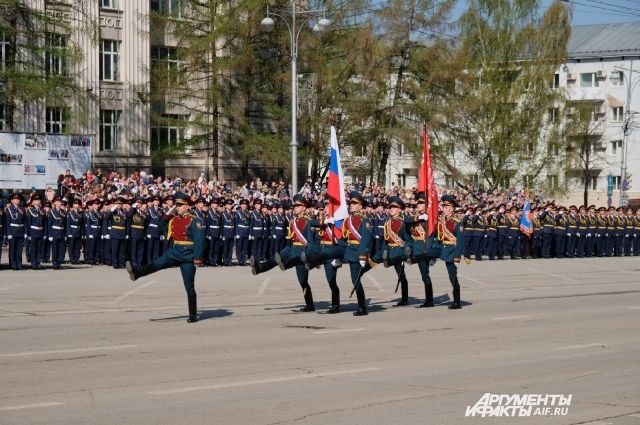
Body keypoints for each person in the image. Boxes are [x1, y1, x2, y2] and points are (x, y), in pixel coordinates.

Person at [126, 192, 205, 323]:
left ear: (187, 206)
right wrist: (169, 213)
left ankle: (193, 314)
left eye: (180, 205)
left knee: (189, 286)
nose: (177, 207)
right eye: (176, 205)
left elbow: (199, 240)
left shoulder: (195, 220)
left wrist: (197, 258)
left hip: (188, 255)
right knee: (157, 263)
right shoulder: (174, 219)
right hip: (174, 251)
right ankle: (136, 273)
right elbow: (161, 227)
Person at [342, 191, 374, 316]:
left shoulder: (364, 220)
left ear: (361, 206)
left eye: (355, 203)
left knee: (355, 280)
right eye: (351, 203)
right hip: (350, 251)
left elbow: (366, 239)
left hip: (358, 252)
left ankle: (362, 307)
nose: (352, 205)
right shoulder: (348, 220)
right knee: (354, 279)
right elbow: (344, 238)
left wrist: (362, 255)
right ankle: (361, 306)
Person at [431, 195, 465, 309]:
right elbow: (439, 236)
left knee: (452, 276)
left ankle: (457, 302)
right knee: (426, 254)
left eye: (446, 207)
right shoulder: (441, 220)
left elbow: (460, 241)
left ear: (452, 208)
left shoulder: (457, 222)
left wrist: (457, 256)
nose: (444, 209)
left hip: (451, 250)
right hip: (442, 248)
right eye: (444, 206)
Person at [403, 192, 435, 307]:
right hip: (414, 247)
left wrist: (430, 251)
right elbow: (406, 220)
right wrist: (419, 217)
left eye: (421, 203)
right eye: (418, 203)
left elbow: (432, 235)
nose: (418, 205)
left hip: (423, 249)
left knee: (425, 275)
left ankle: (429, 300)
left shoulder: (429, 218)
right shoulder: (416, 216)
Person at [378, 196, 411, 306]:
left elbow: (407, 239)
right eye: (390, 207)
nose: (391, 209)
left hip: (400, 251)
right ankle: (404, 298)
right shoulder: (388, 222)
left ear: (399, 209)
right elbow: (386, 240)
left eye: (394, 207)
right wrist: (384, 252)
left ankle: (405, 299)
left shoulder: (403, 222)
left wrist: (405, 252)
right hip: (391, 251)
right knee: (399, 274)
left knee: (402, 275)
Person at [5, 193, 26, 270]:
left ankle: (19, 264)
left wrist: (25, 232)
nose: (17, 200)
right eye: (15, 199)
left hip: (20, 231)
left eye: (18, 199)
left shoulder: (22, 209)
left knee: (19, 250)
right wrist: (8, 233)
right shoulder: (9, 209)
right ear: (12, 200)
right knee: (13, 249)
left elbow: (25, 222)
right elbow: (7, 222)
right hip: (12, 231)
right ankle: (13, 265)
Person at [26, 194, 46, 269]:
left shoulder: (42, 211)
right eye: (35, 200)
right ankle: (33, 264)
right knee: (33, 248)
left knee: (39, 249)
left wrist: (44, 233)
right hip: (33, 231)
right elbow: (28, 223)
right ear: (33, 202)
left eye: (38, 200)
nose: (37, 201)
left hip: (40, 231)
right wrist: (28, 234)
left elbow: (44, 223)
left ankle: (38, 263)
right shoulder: (30, 210)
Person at [47, 197, 67, 270]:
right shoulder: (51, 212)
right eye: (58, 201)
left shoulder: (63, 212)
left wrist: (65, 234)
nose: (59, 202)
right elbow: (49, 224)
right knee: (55, 249)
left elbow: (65, 224)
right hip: (54, 232)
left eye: (60, 201)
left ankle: (59, 263)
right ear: (54, 203)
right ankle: (55, 264)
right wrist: (50, 235)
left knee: (61, 249)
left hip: (61, 232)